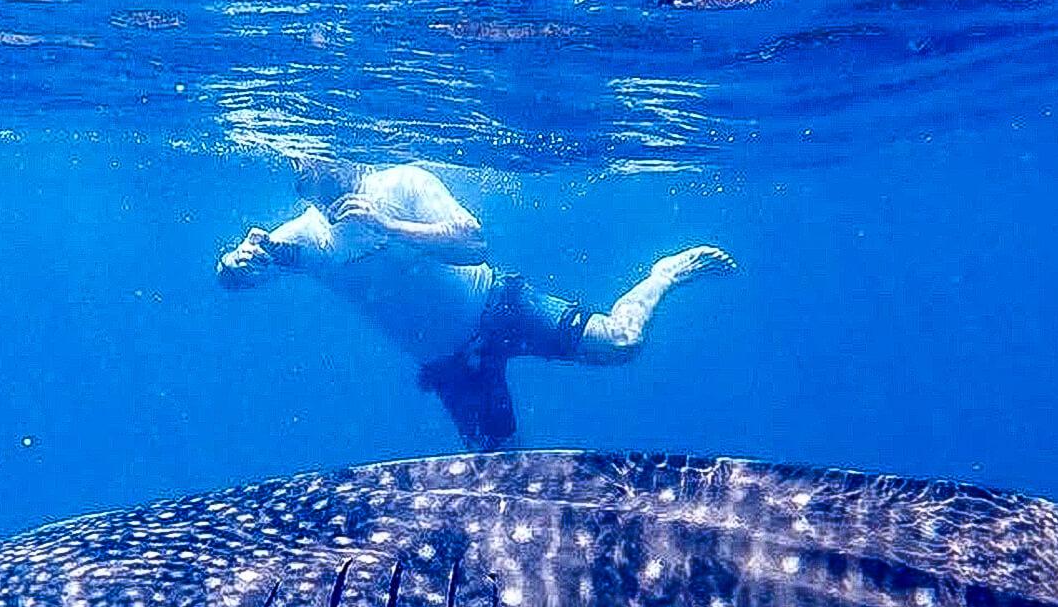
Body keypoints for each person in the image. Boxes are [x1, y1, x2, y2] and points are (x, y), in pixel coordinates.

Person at [216, 157, 735, 448]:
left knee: (623, 343)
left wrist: (389, 227)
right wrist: (235, 264)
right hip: (450, 366)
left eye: (317, 168)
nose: (314, 185)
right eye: (302, 178)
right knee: (500, 476)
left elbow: (473, 243)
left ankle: (663, 274)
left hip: (496, 307)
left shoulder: (405, 182)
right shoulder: (307, 234)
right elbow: (245, 273)